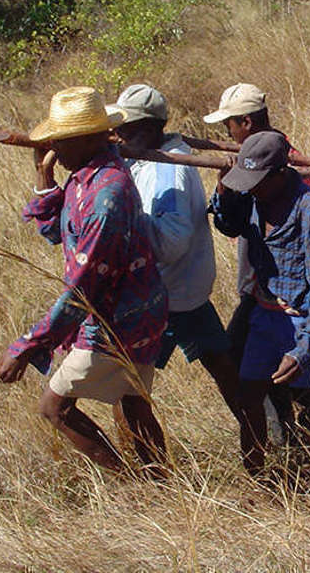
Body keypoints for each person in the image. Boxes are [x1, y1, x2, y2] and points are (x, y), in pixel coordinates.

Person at [0, 86, 168, 472]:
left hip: (119, 320)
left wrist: (27, 345)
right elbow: (58, 232)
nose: (53, 146)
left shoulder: (107, 193)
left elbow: (83, 289)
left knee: (54, 406)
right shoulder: (84, 176)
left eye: (61, 140)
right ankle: (161, 487)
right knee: (135, 405)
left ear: (90, 138)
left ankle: (132, 486)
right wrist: (44, 177)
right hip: (130, 313)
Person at [211, 131, 310, 474]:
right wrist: (224, 193)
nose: (250, 187)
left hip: (303, 319)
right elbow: (229, 225)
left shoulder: (308, 208)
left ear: (279, 173)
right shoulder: (253, 198)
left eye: (256, 181)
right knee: (249, 397)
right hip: (264, 316)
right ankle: (257, 479)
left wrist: (304, 348)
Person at [114, 84, 241, 423]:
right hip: (183, 290)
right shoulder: (148, 157)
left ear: (149, 129)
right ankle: (262, 431)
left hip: (164, 297)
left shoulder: (167, 169)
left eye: (125, 129)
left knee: (128, 388)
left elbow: (170, 242)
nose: (117, 135)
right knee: (222, 366)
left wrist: (123, 219)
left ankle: (148, 469)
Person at [204, 83, 307, 438]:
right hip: (260, 288)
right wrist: (223, 189)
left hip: (279, 291)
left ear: (245, 122)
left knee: (245, 359)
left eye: (229, 125)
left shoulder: (280, 165)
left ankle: (285, 436)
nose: (227, 133)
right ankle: (287, 433)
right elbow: (227, 222)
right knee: (260, 363)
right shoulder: (253, 160)